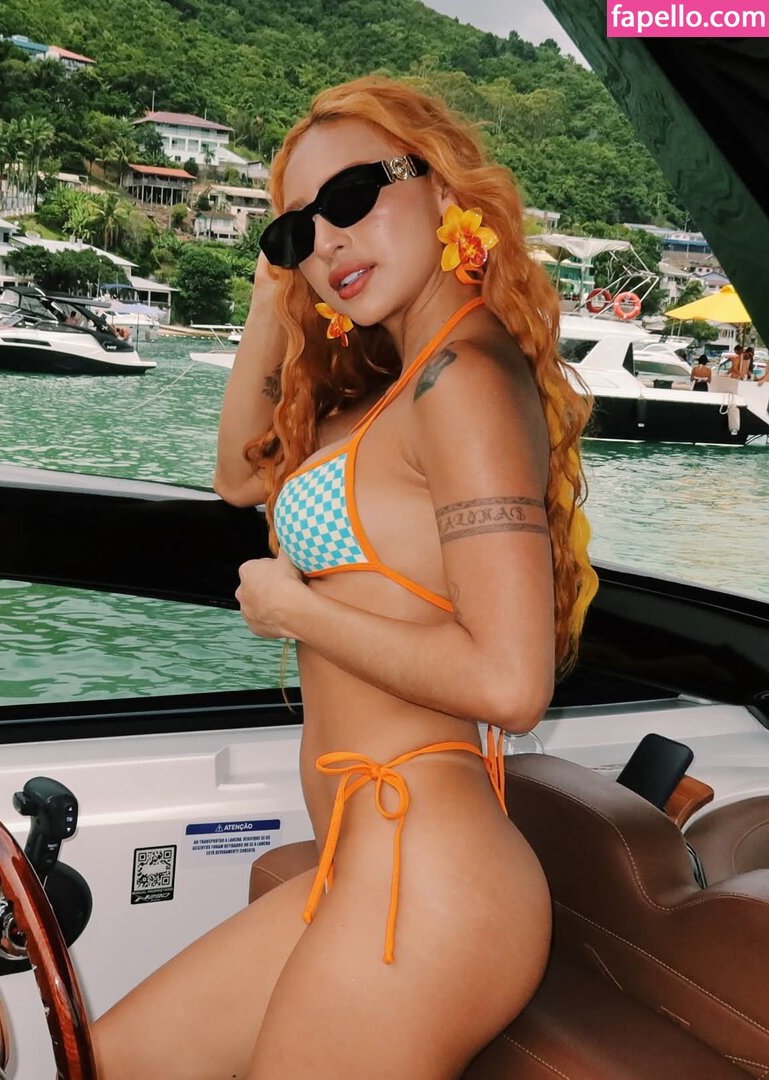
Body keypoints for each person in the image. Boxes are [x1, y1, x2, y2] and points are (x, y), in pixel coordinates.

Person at [93, 76, 598, 1079]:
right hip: (359, 860)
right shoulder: (401, 387)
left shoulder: (463, 379)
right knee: (114, 1060)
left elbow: (510, 684)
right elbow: (240, 473)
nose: (326, 241)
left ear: (441, 186)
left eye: (353, 196)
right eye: (295, 231)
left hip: (429, 873)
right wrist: (269, 293)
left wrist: (297, 611)